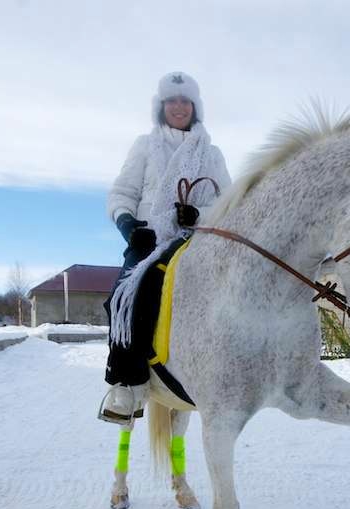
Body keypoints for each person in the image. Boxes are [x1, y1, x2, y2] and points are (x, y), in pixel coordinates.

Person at [99, 71, 231, 424]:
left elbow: (229, 204)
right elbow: (122, 193)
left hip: (197, 239)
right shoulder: (144, 146)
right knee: (123, 297)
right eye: (171, 101)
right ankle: (127, 385)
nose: (178, 107)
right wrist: (129, 226)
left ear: (195, 108)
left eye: (185, 101)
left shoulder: (212, 154)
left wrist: (199, 214)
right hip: (148, 238)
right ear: (161, 106)